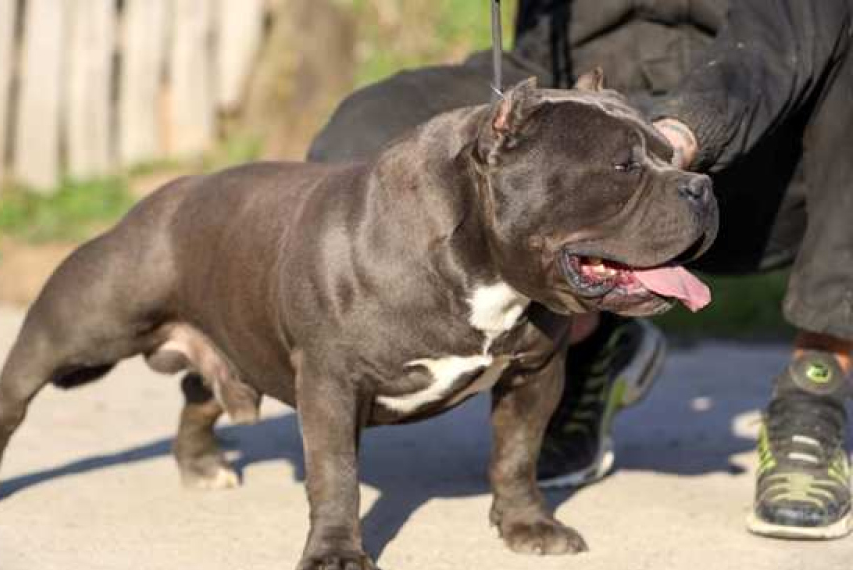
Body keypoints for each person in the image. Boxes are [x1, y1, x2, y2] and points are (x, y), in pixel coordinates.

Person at [307, 0, 853, 539]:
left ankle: (816, 386)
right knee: (359, 130)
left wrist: (685, 130)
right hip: (567, 90)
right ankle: (583, 338)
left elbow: (793, 22)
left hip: (757, 126)